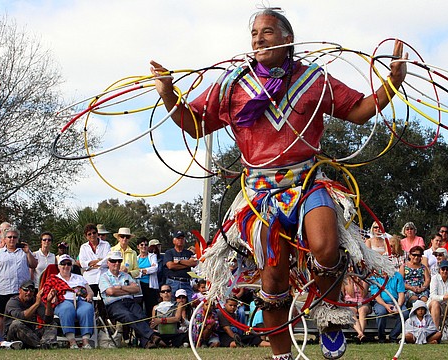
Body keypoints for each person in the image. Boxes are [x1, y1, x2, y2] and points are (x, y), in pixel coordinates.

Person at [150, 8, 405, 359]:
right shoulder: (233, 84)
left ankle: (329, 318)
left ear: (288, 39)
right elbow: (194, 124)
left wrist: (392, 83)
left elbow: (359, 110)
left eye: (267, 31)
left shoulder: (313, 79)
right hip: (258, 195)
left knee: (327, 247)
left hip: (308, 182)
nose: (258, 38)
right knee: (273, 279)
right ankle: (281, 355)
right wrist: (167, 92)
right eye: (254, 33)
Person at [99, 250, 162, 349]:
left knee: (141, 315)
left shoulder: (126, 275)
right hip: (113, 305)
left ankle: (146, 343)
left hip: (129, 302)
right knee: (128, 316)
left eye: (119, 261)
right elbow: (110, 292)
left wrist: (119, 288)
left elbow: (136, 289)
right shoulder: (104, 277)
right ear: (108, 262)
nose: (116, 263)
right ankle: (151, 336)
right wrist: (128, 290)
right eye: (113, 261)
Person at [41, 254, 94, 349]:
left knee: (87, 309)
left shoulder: (78, 277)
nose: (66, 266)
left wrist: (89, 295)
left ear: (71, 266)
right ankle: (72, 342)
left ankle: (86, 342)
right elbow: (46, 294)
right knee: (67, 309)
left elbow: (90, 291)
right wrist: (52, 297)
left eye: (68, 264)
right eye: (63, 264)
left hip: (80, 300)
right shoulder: (53, 279)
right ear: (58, 266)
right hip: (63, 301)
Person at [0, 227, 37, 334]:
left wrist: (27, 252)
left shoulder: (24, 252)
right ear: (5, 239)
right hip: (3, 290)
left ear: (18, 239)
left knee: (23, 314)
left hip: (21, 291)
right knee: (1, 315)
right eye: (9, 237)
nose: (12, 239)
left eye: (14, 237)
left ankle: (24, 335)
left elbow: (33, 265)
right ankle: (0, 338)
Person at [4, 280, 57, 348]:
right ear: (20, 290)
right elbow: (21, 317)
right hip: (14, 336)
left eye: (31, 291)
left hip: (31, 334)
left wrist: (48, 302)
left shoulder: (35, 301)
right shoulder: (13, 302)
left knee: (52, 324)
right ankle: (40, 345)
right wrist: (36, 304)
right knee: (16, 323)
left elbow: (48, 320)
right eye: (26, 290)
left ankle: (47, 344)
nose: (28, 293)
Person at [369, 270, 407, 343]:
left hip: (396, 301)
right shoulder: (374, 277)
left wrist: (398, 306)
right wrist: (385, 305)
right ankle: (381, 337)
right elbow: (376, 296)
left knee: (405, 313)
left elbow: (401, 293)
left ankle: (393, 335)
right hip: (381, 303)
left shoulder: (398, 276)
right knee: (381, 312)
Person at [427, 259, 448, 341]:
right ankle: (435, 333)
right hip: (435, 304)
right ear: (439, 270)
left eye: (447, 269)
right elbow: (432, 296)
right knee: (435, 303)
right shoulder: (434, 278)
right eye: (443, 269)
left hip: (447, 305)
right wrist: (444, 297)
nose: (445, 271)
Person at [78, 223, 111, 297]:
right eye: (89, 234)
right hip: (89, 279)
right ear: (86, 236)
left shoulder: (106, 244)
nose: (92, 235)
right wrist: (99, 260)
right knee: (90, 300)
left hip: (104, 277)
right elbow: (83, 264)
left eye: (94, 233)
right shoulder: (83, 247)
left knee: (104, 303)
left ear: (97, 233)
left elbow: (107, 261)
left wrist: (90, 264)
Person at [163, 231, 197, 299]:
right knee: (172, 303)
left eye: (182, 238)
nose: (180, 240)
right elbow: (170, 266)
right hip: (173, 282)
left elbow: (193, 263)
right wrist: (187, 264)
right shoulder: (169, 252)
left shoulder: (188, 253)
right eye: (178, 238)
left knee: (189, 302)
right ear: (174, 240)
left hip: (186, 282)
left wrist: (179, 261)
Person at [342, 265, 369, 343]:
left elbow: (363, 294)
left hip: (363, 303)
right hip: (351, 303)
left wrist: (359, 284)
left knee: (362, 310)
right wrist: (352, 281)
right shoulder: (346, 280)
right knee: (351, 312)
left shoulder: (364, 280)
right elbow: (351, 294)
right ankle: (361, 334)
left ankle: (360, 334)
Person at [136, 238, 159, 318]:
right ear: (138, 247)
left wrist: (140, 271)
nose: (144, 246)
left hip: (150, 285)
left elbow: (155, 268)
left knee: (150, 307)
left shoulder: (152, 256)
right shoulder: (136, 258)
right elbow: (134, 272)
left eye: (146, 245)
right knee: (139, 308)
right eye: (141, 245)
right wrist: (148, 270)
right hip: (138, 286)